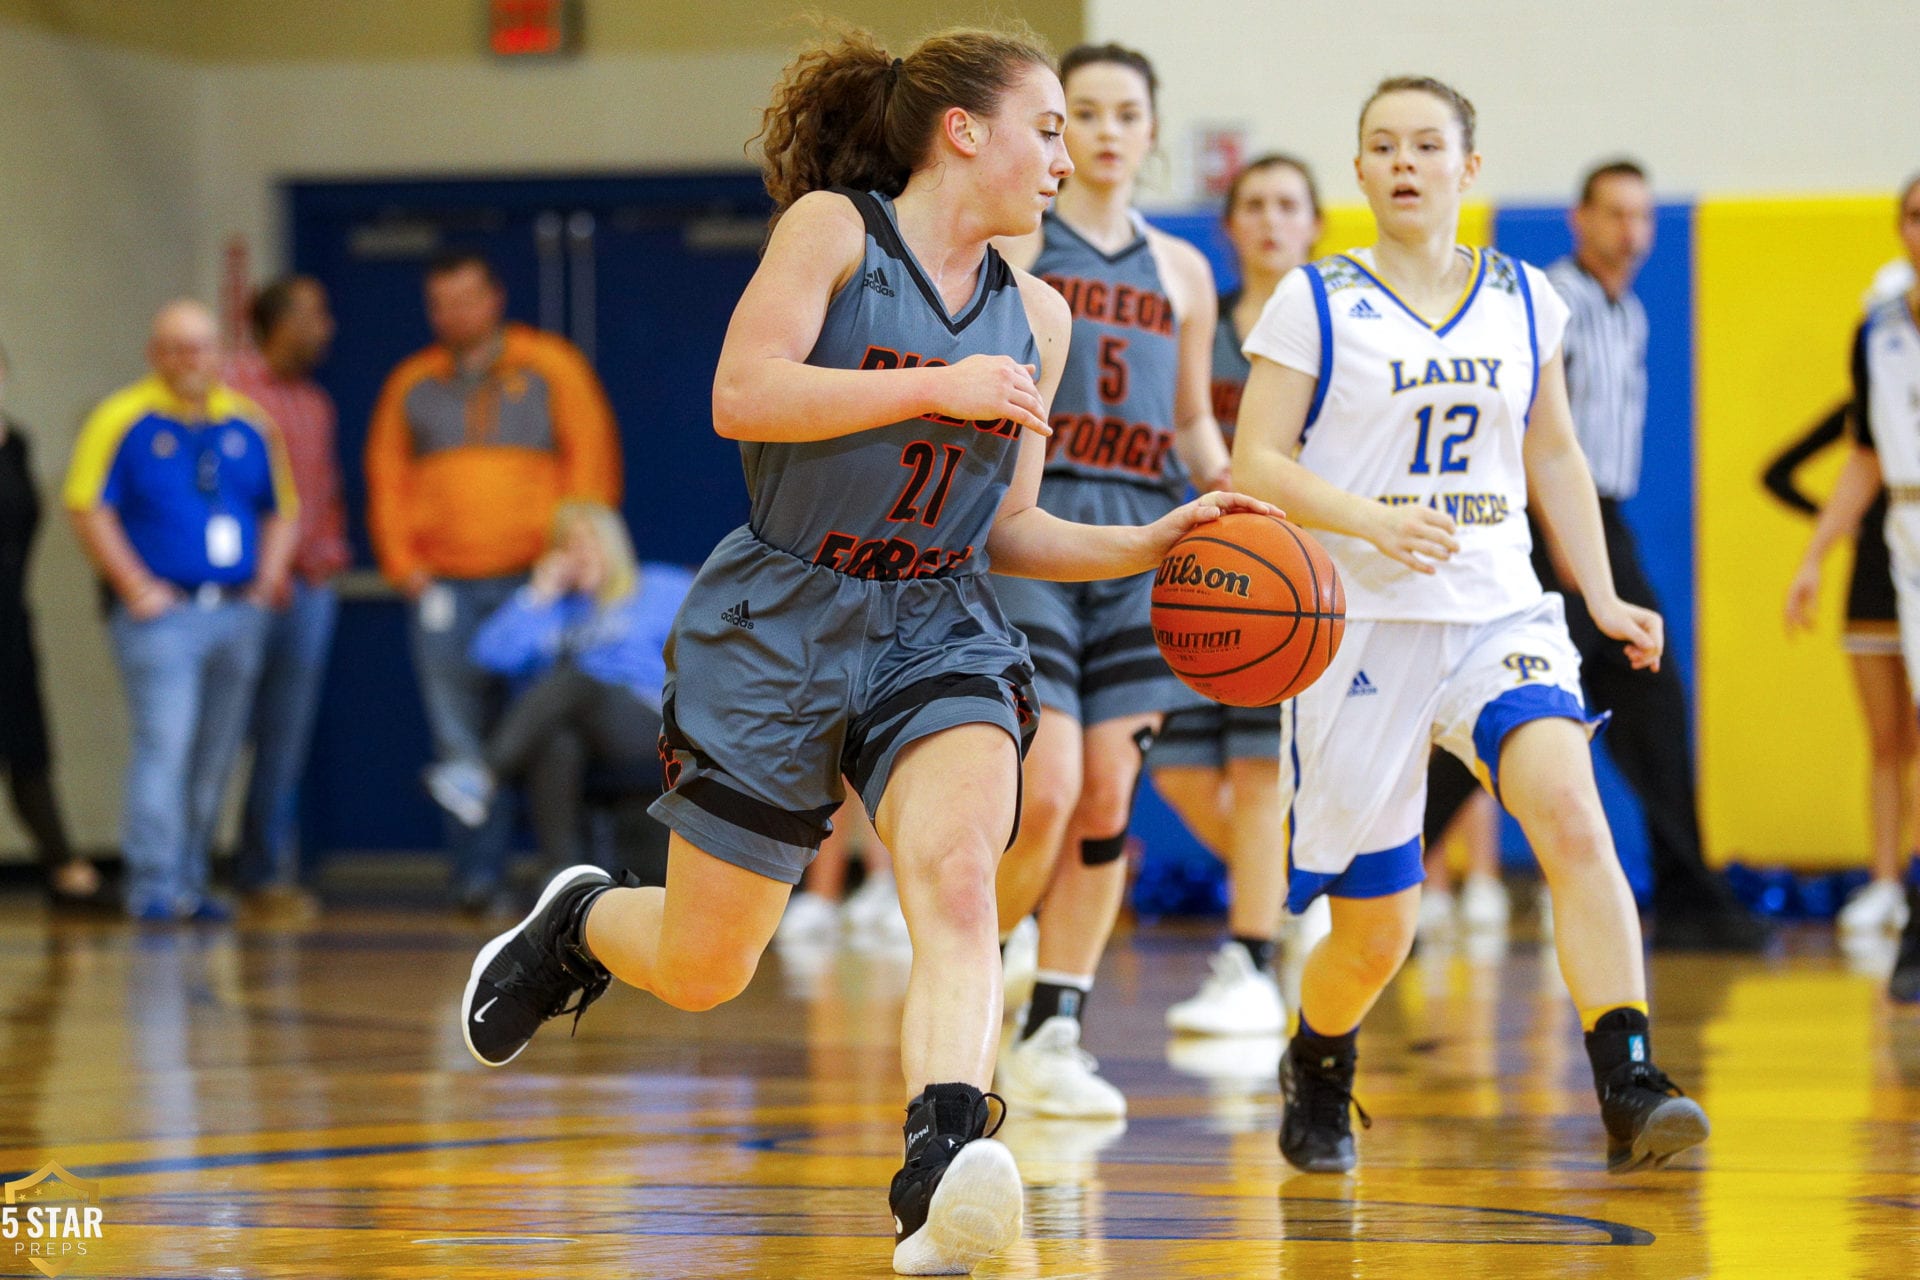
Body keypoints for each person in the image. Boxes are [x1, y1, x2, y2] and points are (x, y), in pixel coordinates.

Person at [455, 26, 1274, 1275]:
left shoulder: (1037, 316)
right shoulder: (836, 232)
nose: (1065, 155)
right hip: (780, 617)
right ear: (965, 131)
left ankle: (939, 1173)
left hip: (939, 619)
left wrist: (1148, 542)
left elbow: (1009, 527)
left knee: (954, 884)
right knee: (706, 964)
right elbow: (743, 392)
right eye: (1047, 127)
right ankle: (578, 924)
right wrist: (931, 385)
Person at [1233, 76, 1709, 1174]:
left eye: (1428, 144)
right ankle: (1319, 1053)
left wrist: (1597, 594)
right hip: (1360, 624)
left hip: (1498, 607)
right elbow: (1254, 460)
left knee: (1574, 819)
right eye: (1383, 145)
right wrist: (1368, 518)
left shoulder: (1525, 296)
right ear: (1359, 170)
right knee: (1376, 933)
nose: (1405, 161)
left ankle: (1628, 1072)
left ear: (1468, 167)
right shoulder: (1315, 300)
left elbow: (1554, 453)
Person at [987, 42, 1234, 1117]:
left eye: (1123, 112)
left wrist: (1242, 508)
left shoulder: (1181, 271)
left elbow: (1189, 420)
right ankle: (978, 954)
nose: (1101, 130)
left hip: (1143, 538)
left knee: (1105, 795)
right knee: (1040, 792)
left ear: (1150, 130)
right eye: (1077, 114)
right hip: (1034, 527)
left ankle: (1056, 1021)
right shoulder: (1016, 241)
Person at [366, 250, 622, 912]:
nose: (454, 314)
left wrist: (574, 559)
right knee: (456, 733)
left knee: (548, 727)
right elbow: (387, 481)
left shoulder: (551, 366)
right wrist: (404, 566)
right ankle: (479, 882)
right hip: (444, 589)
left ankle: (561, 880)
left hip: (537, 582)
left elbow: (591, 464)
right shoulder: (410, 383)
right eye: (441, 303)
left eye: (466, 299)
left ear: (494, 298)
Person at [1147, 153, 1330, 1036]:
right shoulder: (1203, 322)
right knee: (1179, 770)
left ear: (1314, 224)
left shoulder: (1338, 326)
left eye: (1287, 204)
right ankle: (1302, 890)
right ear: (1229, 227)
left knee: (1260, 771)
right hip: (1197, 571)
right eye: (1252, 205)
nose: (1268, 219)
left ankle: (1250, 954)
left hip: (1288, 579)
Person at [64, 300, 298, 922]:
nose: (191, 360)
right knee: (165, 744)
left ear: (221, 352)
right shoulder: (123, 418)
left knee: (215, 751)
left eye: (201, 347)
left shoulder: (249, 422)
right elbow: (87, 506)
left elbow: (283, 506)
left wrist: (268, 578)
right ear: (154, 353)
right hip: (162, 619)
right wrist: (135, 584)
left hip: (236, 611)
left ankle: (192, 878)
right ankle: (153, 882)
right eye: (176, 347)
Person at [1783, 173, 1920, 1001]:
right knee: (1892, 734)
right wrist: (1814, 556)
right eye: (1912, 213)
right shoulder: (1876, 336)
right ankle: (1892, 886)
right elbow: (1865, 457)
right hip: (1902, 532)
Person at [423, 501, 688, 874]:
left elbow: (719, 644)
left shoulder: (657, 586)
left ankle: (482, 775)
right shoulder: (554, 609)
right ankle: (565, 877)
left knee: (574, 681)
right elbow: (487, 655)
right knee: (556, 740)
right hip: (589, 734)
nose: (578, 555)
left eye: (587, 542)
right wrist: (537, 594)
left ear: (612, 544)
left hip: (650, 722)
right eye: (567, 546)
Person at [226, 275, 350, 918]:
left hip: (307, 591)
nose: (326, 326)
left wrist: (327, 556)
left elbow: (322, 491)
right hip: (241, 591)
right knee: (215, 735)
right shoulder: (230, 392)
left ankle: (263, 874)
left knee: (283, 739)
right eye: (315, 314)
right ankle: (186, 875)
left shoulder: (316, 404)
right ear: (279, 323)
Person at [1767, 401, 1914, 936]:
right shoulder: (1870, 400)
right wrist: (1823, 541)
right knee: (1885, 742)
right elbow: (1778, 472)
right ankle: (1886, 882)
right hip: (1874, 580)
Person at [0, 342, 100, 905]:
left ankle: (62, 865)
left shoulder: (17, 445)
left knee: (28, 747)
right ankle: (63, 863)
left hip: (11, 618)